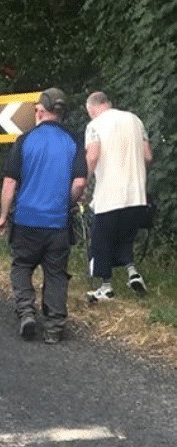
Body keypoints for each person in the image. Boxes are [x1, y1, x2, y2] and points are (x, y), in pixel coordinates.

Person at [0, 88, 88, 344]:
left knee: (22, 266)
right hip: (57, 223)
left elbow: (9, 184)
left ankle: (26, 312)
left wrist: (3, 216)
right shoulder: (74, 140)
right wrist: (66, 204)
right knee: (56, 273)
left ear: (41, 110)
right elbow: (79, 183)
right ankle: (55, 327)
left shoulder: (25, 140)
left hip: (26, 221)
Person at [83, 91, 153, 301]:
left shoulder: (95, 125)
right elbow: (148, 156)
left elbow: (93, 155)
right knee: (125, 239)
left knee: (102, 242)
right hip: (137, 196)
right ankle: (133, 273)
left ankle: (106, 288)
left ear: (92, 109)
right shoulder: (135, 120)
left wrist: (83, 181)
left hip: (109, 197)